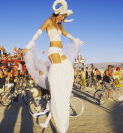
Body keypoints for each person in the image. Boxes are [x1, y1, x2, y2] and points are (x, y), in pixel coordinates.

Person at [24, 0, 84, 132]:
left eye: (64, 17)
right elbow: (38, 33)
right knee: (56, 74)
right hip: (53, 51)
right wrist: (30, 44)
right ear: (57, 13)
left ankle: (59, 95)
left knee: (68, 69)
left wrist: (76, 40)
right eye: (62, 16)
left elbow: (67, 34)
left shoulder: (59, 25)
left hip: (60, 52)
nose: (63, 18)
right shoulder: (49, 22)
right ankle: (55, 94)